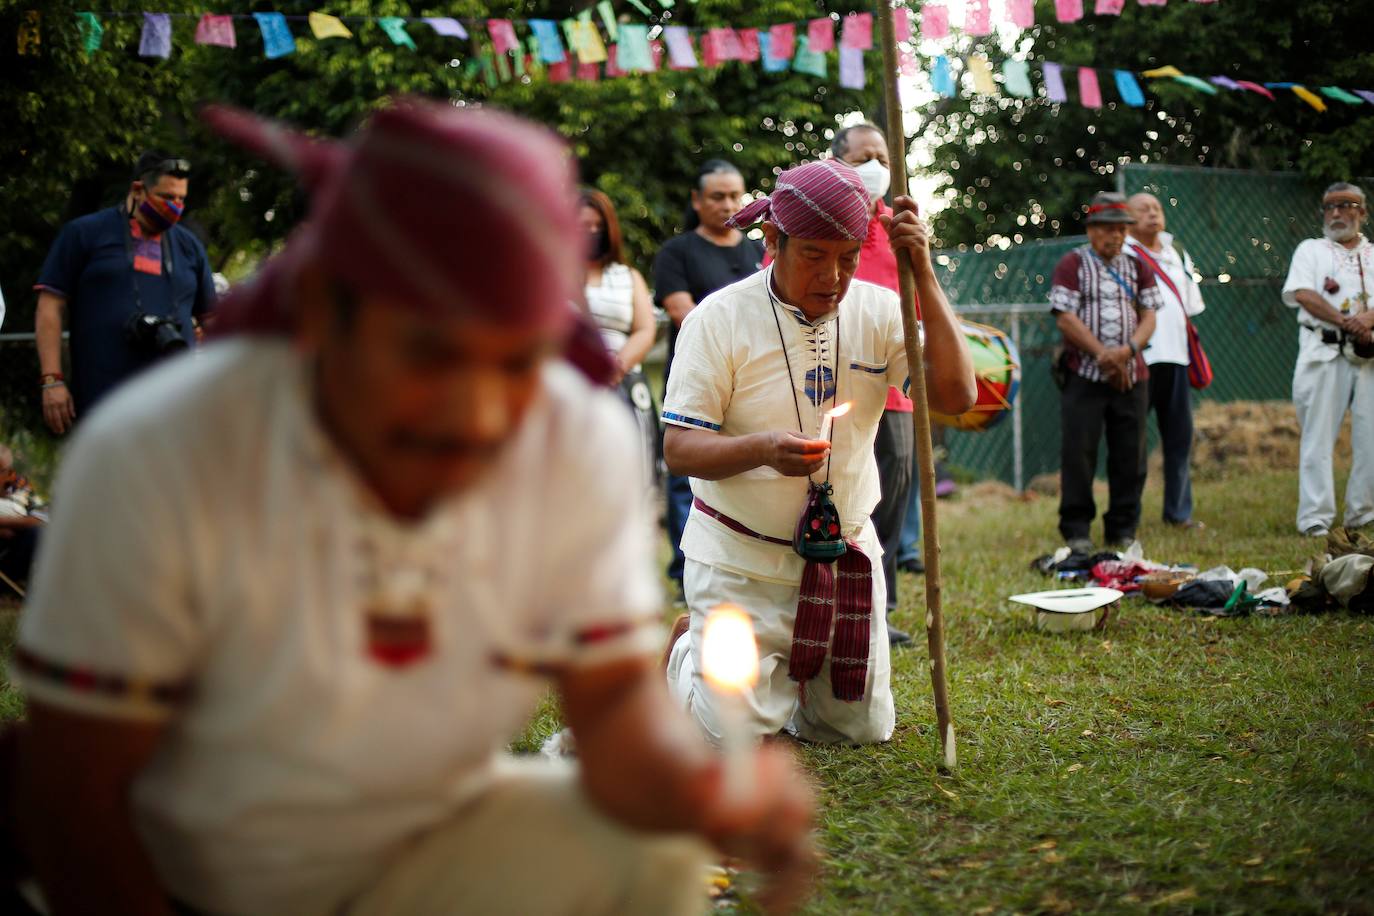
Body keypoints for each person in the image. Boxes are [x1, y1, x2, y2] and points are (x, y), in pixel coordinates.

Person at [14, 101, 815, 916]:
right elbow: (80, 800)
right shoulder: (163, 452)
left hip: (429, 825)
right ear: (325, 312)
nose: (474, 414)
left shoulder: (573, 439)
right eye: (429, 352)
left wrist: (704, 791)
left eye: (515, 360)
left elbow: (607, 706)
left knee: (648, 861)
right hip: (195, 865)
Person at [662, 159, 975, 745]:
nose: (833, 275)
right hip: (740, 562)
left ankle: (782, 688)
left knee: (856, 732)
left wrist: (924, 276)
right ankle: (688, 654)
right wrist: (761, 450)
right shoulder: (718, 319)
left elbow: (958, 396)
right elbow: (679, 449)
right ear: (772, 240)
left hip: (843, 555)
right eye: (813, 255)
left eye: (848, 256)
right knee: (726, 738)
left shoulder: (883, 311)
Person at [34, 150, 216, 434]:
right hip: (103, 404)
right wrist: (52, 380)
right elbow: (50, 306)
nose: (176, 207)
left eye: (182, 199)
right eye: (167, 197)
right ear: (138, 190)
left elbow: (213, 321)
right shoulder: (84, 234)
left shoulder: (189, 247)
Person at [654, 161, 765, 599]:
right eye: (717, 196)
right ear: (697, 201)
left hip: (754, 378)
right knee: (688, 474)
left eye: (735, 195)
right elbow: (686, 314)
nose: (728, 205)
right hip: (698, 379)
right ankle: (687, 568)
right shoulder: (676, 253)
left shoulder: (762, 251)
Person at [830, 122, 916, 649]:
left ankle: (878, 607)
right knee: (841, 490)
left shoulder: (901, 224)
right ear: (839, 162)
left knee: (896, 482)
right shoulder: (817, 218)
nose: (876, 167)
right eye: (864, 157)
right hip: (838, 380)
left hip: (897, 383)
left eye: (882, 157)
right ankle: (832, 596)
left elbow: (920, 299)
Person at [1050, 191, 1161, 553]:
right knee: (1078, 453)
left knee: (1131, 454)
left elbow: (1149, 314)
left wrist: (1127, 352)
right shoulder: (1073, 264)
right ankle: (1077, 529)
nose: (1116, 237)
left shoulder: (1138, 265)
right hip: (1084, 374)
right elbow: (1065, 317)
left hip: (1132, 375)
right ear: (1091, 230)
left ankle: (1123, 528)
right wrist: (1102, 356)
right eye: (1108, 229)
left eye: (1122, 230)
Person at [1281, 181, 1374, 537]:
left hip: (1367, 355)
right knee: (1317, 438)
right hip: (1323, 351)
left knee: (1370, 437)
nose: (1336, 213)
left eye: (1346, 205)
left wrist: (1366, 321)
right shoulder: (1312, 250)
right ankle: (1315, 519)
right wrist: (1348, 322)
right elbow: (1303, 293)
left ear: (1362, 212)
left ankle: (1363, 513)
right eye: (1330, 207)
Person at [1125, 192, 1207, 530]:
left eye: (1157, 208)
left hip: (1176, 357)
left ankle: (1179, 513)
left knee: (1179, 438)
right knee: (1132, 440)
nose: (1152, 214)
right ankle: (1128, 515)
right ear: (1128, 219)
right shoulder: (1124, 253)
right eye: (1143, 209)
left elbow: (1189, 307)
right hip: (1141, 358)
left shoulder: (1177, 254)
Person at [580, 189, 660, 489]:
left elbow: (645, 329)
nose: (590, 233)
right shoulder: (557, 273)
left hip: (621, 381)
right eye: (581, 226)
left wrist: (617, 366)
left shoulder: (628, 277)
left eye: (596, 227)